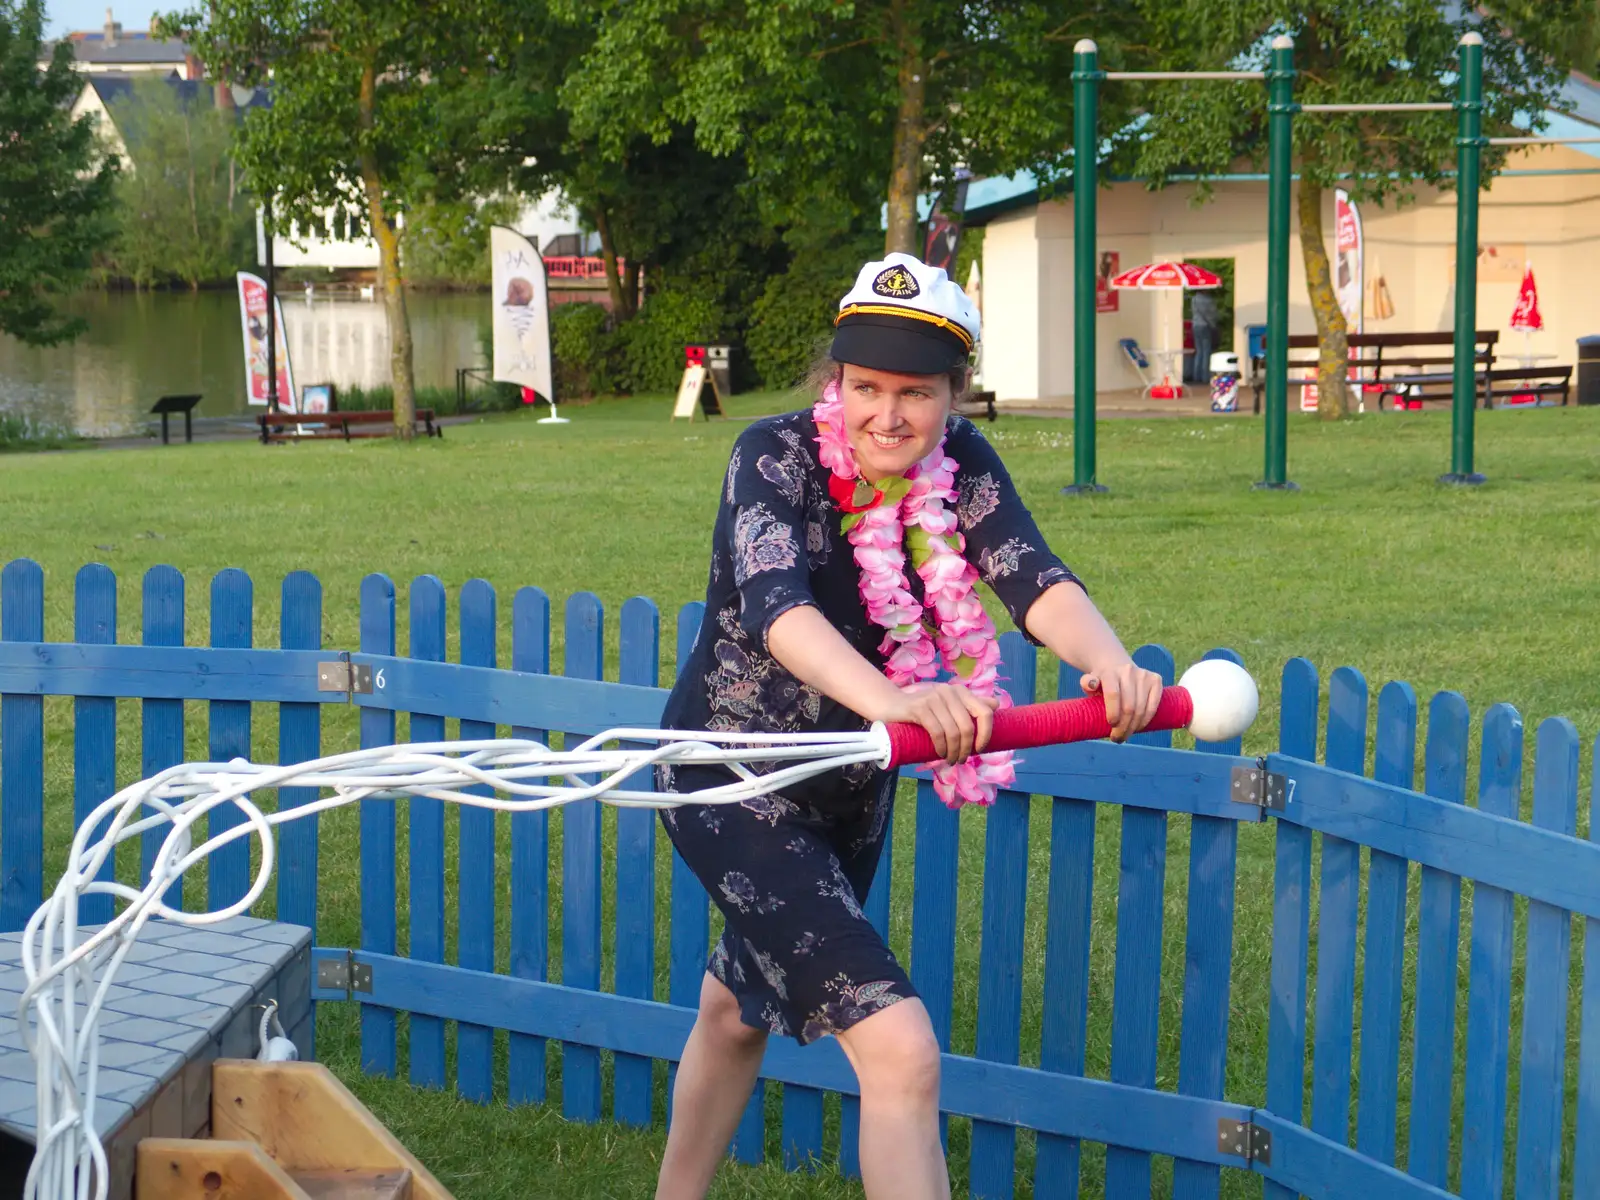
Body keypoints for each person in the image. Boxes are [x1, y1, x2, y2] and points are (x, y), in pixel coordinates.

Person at [653, 252, 1164, 1200]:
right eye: (866, 387)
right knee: (903, 1053)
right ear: (834, 382)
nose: (888, 415)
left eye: (917, 393)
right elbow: (777, 608)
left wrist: (1108, 660)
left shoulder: (959, 463)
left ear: (955, 396)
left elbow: (1027, 570)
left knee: (733, 1014)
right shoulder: (772, 454)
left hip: (848, 792)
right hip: (734, 777)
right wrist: (897, 700)